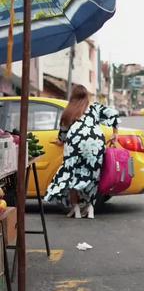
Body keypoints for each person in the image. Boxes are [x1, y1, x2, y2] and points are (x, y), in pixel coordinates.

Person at [44, 84, 120, 219]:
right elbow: (113, 114)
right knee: (93, 176)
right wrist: (115, 133)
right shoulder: (95, 108)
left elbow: (63, 133)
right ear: (86, 96)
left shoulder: (69, 111)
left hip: (76, 142)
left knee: (72, 174)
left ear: (72, 96)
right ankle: (90, 209)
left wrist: (61, 141)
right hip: (95, 142)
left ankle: (77, 209)